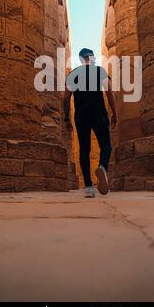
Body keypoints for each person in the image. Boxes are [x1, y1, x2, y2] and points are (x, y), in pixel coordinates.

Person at [63, 48, 118, 198]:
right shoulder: (99, 71)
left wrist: (66, 118)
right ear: (91, 58)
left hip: (81, 115)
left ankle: (88, 187)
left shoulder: (73, 74)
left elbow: (66, 98)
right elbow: (110, 93)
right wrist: (114, 113)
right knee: (106, 145)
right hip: (99, 113)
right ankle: (102, 167)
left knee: (84, 150)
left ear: (81, 59)